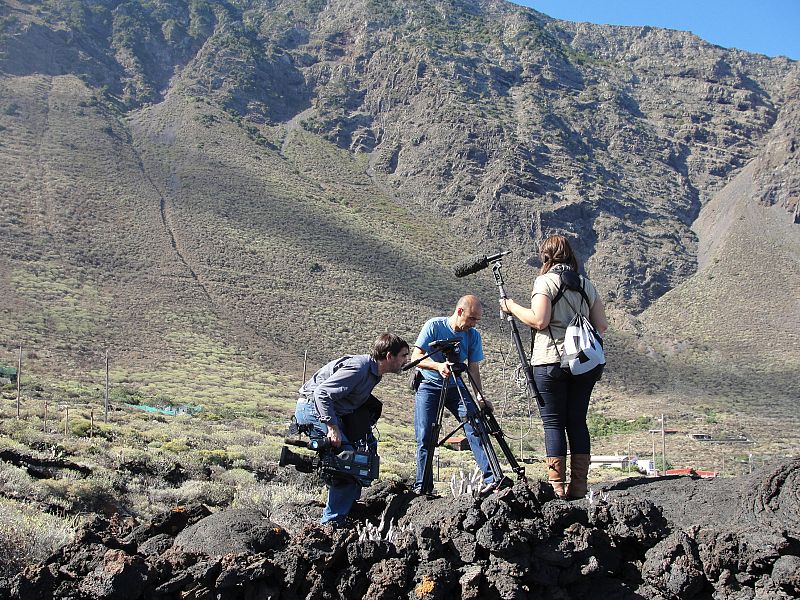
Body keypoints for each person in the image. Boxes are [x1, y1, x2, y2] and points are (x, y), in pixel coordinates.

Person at [500, 235, 608, 500]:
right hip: (583, 363)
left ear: (545, 257)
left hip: (550, 359)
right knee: (577, 422)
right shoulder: (586, 285)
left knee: (553, 424)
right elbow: (601, 325)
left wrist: (511, 306)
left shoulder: (545, 282)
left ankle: (557, 486)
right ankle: (579, 486)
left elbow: (539, 320)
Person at [294, 333, 410, 526]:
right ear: (389, 356)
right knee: (349, 463)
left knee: (365, 455)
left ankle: (346, 510)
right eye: (404, 355)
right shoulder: (359, 368)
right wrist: (332, 428)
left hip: (331, 412)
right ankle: (331, 524)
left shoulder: (374, 373)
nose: (406, 360)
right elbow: (321, 394)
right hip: (313, 409)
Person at [410, 295, 495, 494]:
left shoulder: (473, 336)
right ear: (459, 312)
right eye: (471, 318)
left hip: (455, 386)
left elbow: (473, 368)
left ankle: (492, 479)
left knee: (475, 424)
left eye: (477, 320)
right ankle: (423, 487)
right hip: (429, 385)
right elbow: (416, 357)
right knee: (425, 435)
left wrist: (480, 397)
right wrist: (438, 366)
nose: (473, 324)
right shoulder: (434, 326)